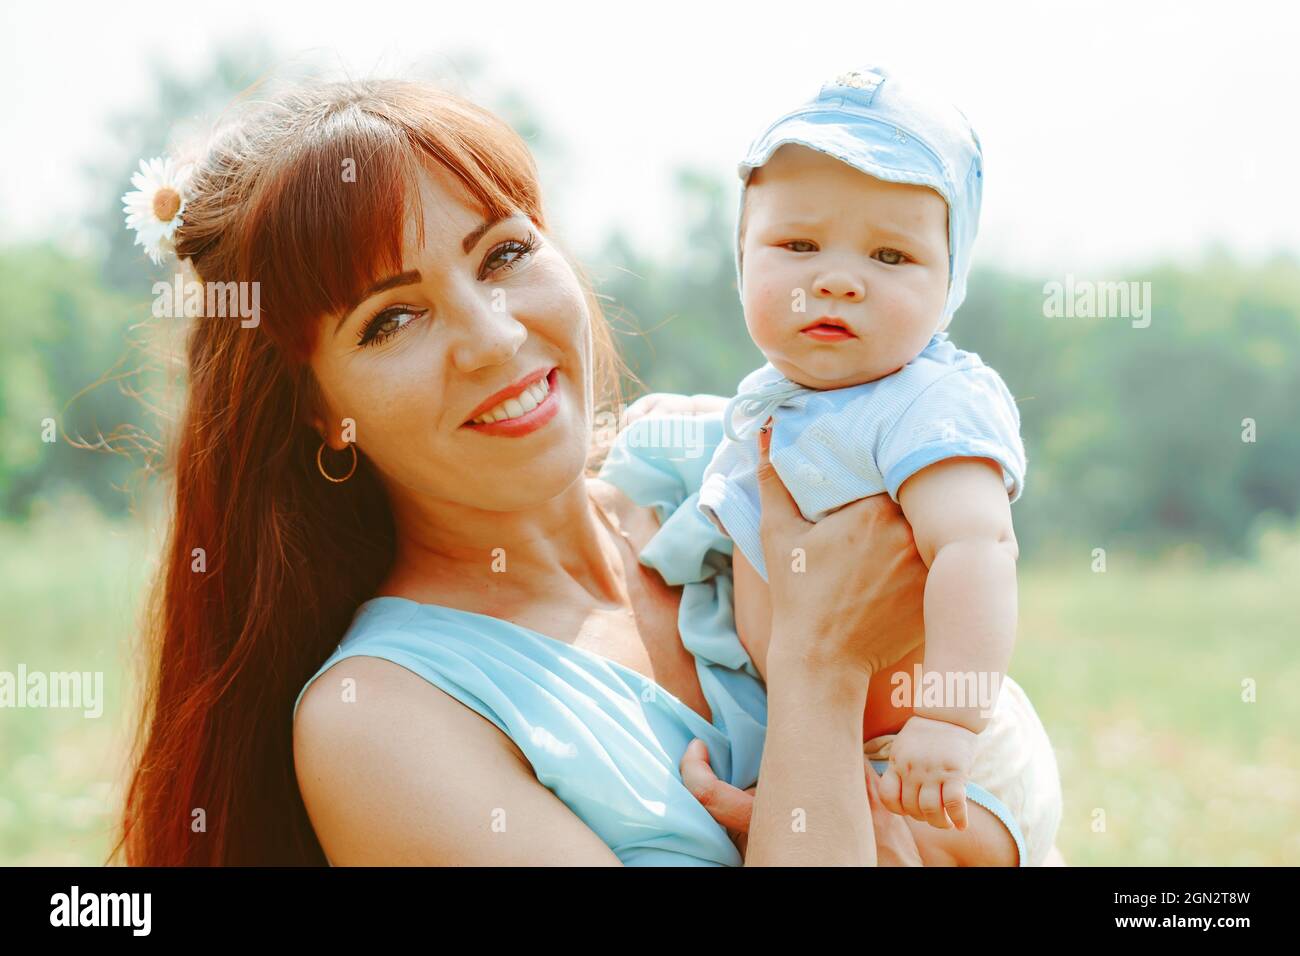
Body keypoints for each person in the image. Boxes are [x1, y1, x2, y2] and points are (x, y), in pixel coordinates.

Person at [110, 76, 1053, 866]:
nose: (493, 337)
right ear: (318, 409)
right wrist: (820, 668)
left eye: (505, 253)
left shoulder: (705, 468)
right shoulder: (380, 720)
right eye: (390, 320)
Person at [695, 66, 1063, 865]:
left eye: (891, 256)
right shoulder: (775, 404)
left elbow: (977, 551)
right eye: (797, 245)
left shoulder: (925, 405)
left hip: (936, 757)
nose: (836, 278)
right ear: (742, 260)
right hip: (840, 741)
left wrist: (948, 717)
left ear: (948, 286)